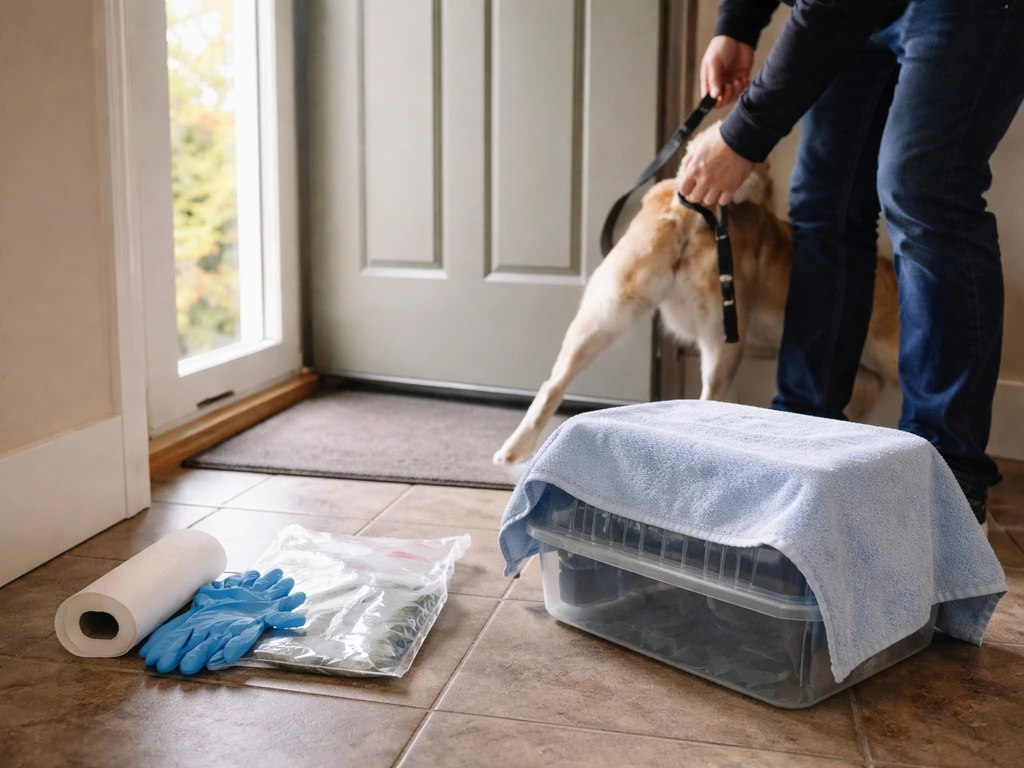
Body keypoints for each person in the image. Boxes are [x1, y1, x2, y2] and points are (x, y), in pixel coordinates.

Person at [678, 0, 1024, 527]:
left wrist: (741, 136)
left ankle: (945, 480)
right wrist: (738, 23)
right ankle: (802, 433)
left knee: (925, 190)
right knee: (823, 204)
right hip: (858, 13)